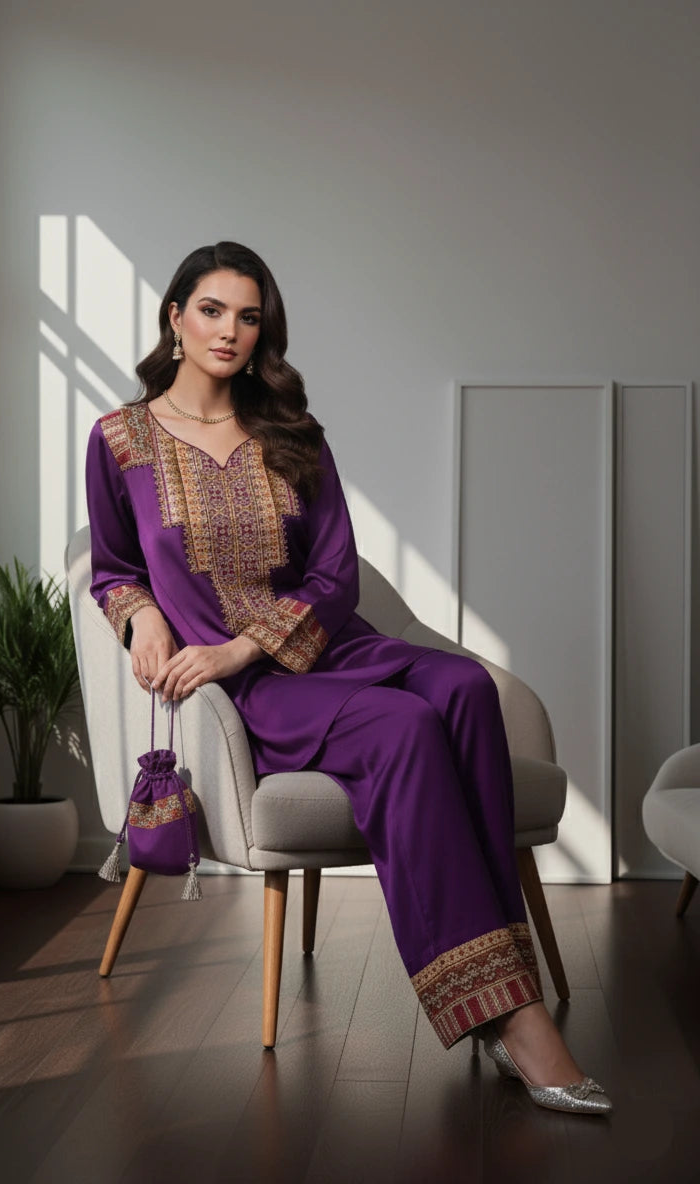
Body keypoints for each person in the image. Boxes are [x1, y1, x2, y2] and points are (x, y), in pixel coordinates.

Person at [85, 241, 612, 1116]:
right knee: (403, 731)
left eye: (248, 315)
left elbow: (337, 576)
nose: (229, 330)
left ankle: (495, 970)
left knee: (465, 690)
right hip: (251, 695)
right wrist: (141, 615)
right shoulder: (122, 440)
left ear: (264, 331)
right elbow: (110, 565)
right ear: (174, 317)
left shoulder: (291, 433)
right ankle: (509, 1014)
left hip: (319, 648)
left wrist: (245, 643)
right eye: (211, 310)